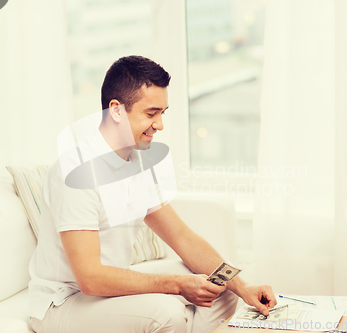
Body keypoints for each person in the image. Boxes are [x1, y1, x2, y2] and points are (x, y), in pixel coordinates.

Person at [27, 55, 276, 333]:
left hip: (102, 293)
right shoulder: (76, 173)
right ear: (116, 110)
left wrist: (243, 286)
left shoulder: (138, 163)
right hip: (64, 303)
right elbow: (90, 278)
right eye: (151, 113)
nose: (160, 125)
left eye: (162, 113)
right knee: (165, 312)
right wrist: (176, 285)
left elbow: (182, 237)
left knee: (220, 284)